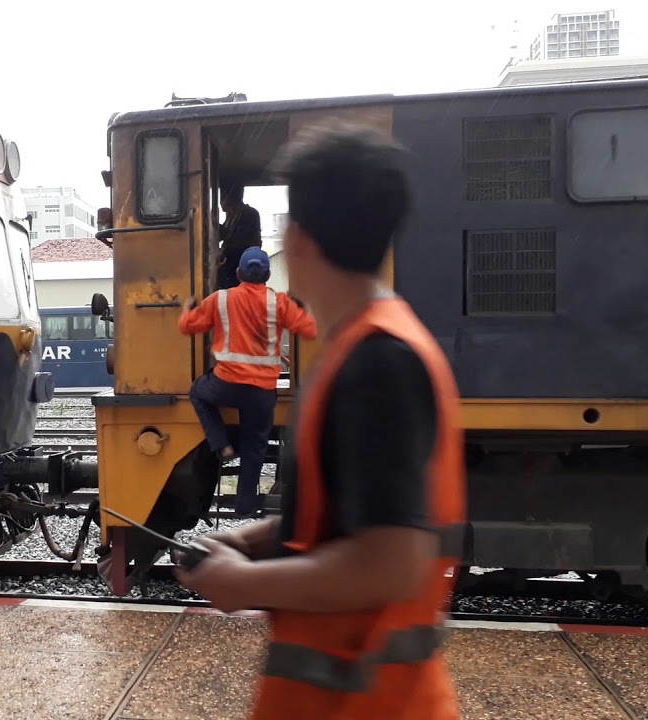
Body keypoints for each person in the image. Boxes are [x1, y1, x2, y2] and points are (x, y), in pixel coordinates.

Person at [173, 126, 467, 720]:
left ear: (298, 239)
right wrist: (247, 542)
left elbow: (390, 560)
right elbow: (344, 517)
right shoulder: (361, 344)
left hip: (369, 701)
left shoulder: (377, 360)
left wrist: (245, 585)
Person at [179, 246, 318, 517]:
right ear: (267, 276)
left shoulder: (220, 299)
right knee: (255, 446)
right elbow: (309, 329)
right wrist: (305, 305)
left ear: (238, 273)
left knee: (198, 393)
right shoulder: (278, 302)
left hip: (226, 384)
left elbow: (188, 327)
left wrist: (186, 309)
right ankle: (245, 506)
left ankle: (222, 445)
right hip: (262, 392)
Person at [217, 183, 263, 290]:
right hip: (230, 267)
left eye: (222, 197)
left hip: (242, 266)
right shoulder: (231, 216)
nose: (220, 202)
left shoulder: (249, 214)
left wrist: (215, 225)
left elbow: (238, 239)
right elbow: (221, 236)